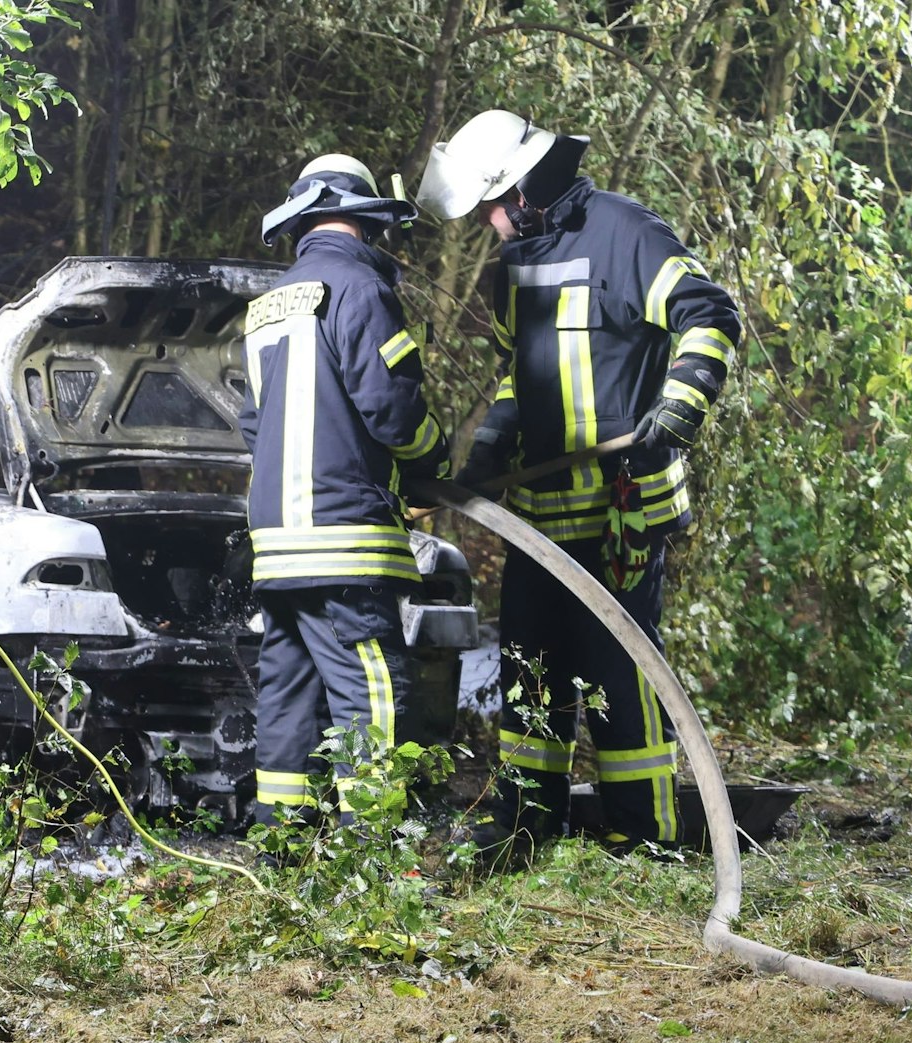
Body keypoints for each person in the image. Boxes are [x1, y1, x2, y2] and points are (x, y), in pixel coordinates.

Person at [416, 110, 741, 858]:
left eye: (493, 207)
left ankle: (645, 837)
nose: (490, 225)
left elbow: (708, 315)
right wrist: (483, 461)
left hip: (618, 511)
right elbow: (514, 379)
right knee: (529, 674)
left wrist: (677, 410)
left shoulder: (626, 234)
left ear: (525, 185)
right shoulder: (512, 264)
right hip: (538, 517)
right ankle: (524, 828)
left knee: (618, 674)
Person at [240, 154, 451, 828]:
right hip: (345, 540)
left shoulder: (263, 310)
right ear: (365, 222)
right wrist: (431, 464)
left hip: (276, 547)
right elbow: (391, 408)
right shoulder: (360, 288)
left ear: (299, 223)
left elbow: (253, 423)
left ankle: (281, 841)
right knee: (373, 689)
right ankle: (370, 849)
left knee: (287, 691)